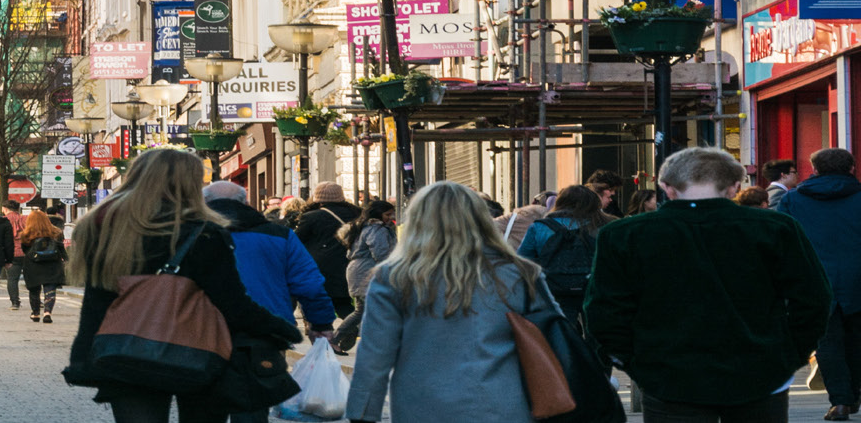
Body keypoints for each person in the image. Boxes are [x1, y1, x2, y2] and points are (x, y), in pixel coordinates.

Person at [588, 148, 831, 422]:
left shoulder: (623, 235)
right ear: (735, 187)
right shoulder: (776, 228)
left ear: (667, 188)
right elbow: (814, 299)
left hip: (668, 374)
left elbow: (603, 308)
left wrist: (634, 362)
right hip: (758, 371)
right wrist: (790, 356)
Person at [65, 150, 301, 422]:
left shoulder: (105, 229)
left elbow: (96, 302)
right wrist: (280, 329)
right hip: (199, 353)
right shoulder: (203, 233)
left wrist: (82, 356)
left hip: (127, 353)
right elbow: (231, 304)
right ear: (189, 185)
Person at [342, 182, 560, 423]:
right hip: (501, 403)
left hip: (422, 407)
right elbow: (553, 335)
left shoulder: (394, 277)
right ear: (482, 220)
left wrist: (362, 413)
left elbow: (375, 354)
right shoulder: (519, 272)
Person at [775, 147, 861, 420]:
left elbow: (783, 242)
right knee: (855, 338)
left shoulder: (793, 200)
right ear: (851, 168)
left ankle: (840, 400)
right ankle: (852, 395)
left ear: (814, 170)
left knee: (826, 341)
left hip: (813, 280)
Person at [203, 182, 337, 338]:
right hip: (268, 329)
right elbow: (308, 283)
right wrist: (321, 323)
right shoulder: (280, 235)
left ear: (204, 203)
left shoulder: (189, 235)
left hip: (203, 330)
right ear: (246, 203)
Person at [515, 185, 616, 318]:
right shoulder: (604, 227)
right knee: (596, 332)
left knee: (563, 331)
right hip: (595, 288)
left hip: (554, 289)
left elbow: (522, 260)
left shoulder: (540, 227)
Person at [292, 182, 362, 344]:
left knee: (320, 302)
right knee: (343, 301)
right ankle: (349, 328)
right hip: (348, 263)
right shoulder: (357, 213)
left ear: (317, 198)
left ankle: (326, 338)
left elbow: (297, 241)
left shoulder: (311, 216)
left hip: (320, 265)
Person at [334, 199, 397, 350]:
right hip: (369, 272)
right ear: (378, 213)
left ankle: (335, 339)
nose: (391, 217)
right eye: (387, 214)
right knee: (376, 310)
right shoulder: (376, 229)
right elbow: (382, 253)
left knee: (362, 310)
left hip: (360, 271)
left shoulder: (364, 226)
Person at [14, 210, 70, 324]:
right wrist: (67, 260)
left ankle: (35, 313)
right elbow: (61, 249)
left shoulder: (26, 234)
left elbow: (25, 250)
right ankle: (47, 312)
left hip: (33, 264)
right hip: (53, 263)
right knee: (50, 288)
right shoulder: (57, 232)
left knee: (34, 289)